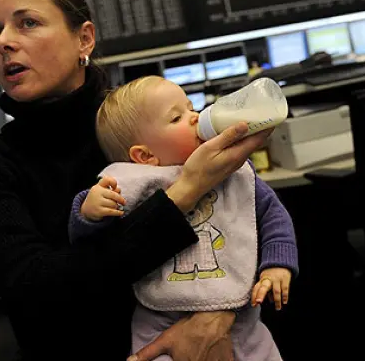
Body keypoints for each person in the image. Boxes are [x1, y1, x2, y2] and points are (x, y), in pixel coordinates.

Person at [0, 0, 272, 361]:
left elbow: (249, 228)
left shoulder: (151, 125)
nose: (3, 43)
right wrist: (185, 192)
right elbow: (42, 292)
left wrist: (216, 318)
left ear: (84, 39)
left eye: (26, 23)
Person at [68, 76, 299, 361]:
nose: (195, 118)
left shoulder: (233, 167)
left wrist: (277, 265)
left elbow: (273, 216)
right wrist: (88, 211)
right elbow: (92, 247)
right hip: (160, 317)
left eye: (191, 108)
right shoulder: (135, 182)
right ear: (145, 155)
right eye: (177, 117)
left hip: (241, 317)